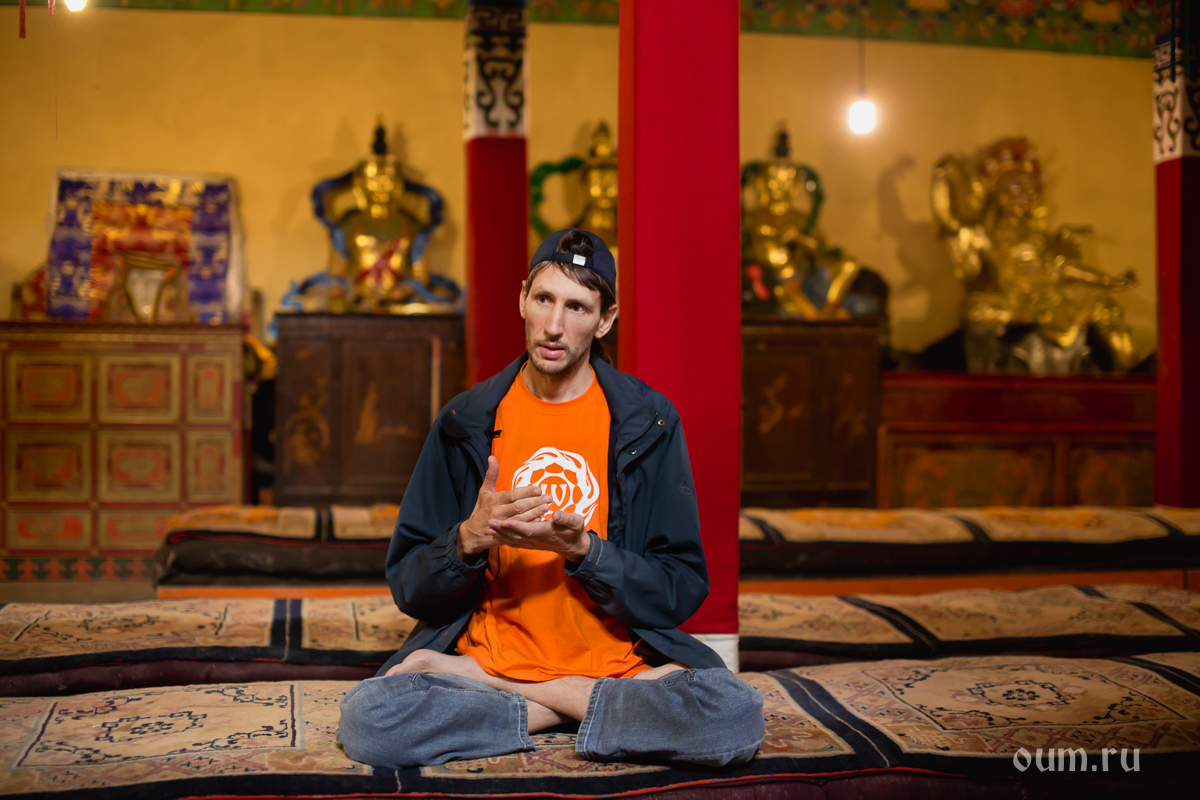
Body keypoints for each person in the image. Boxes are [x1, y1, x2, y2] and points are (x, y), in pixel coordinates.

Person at [338, 228, 764, 769]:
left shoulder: (649, 422)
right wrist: (467, 539)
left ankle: (529, 702)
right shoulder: (466, 420)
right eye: (544, 299)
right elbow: (409, 585)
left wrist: (586, 552)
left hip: (616, 666)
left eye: (577, 307)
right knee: (370, 722)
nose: (554, 325)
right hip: (493, 659)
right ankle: (591, 708)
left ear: (605, 320)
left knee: (734, 716)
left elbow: (679, 587)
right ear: (523, 299)